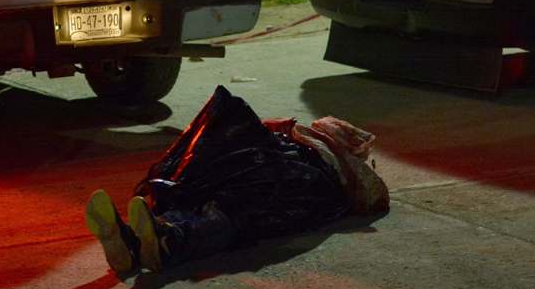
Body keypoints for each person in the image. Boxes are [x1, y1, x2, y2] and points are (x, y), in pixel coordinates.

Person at [85, 86, 388, 273]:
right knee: (217, 204)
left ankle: (162, 241)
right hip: (266, 182)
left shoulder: (327, 177)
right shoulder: (301, 158)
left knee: (228, 212)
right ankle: (139, 241)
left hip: (274, 194)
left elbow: (374, 195)